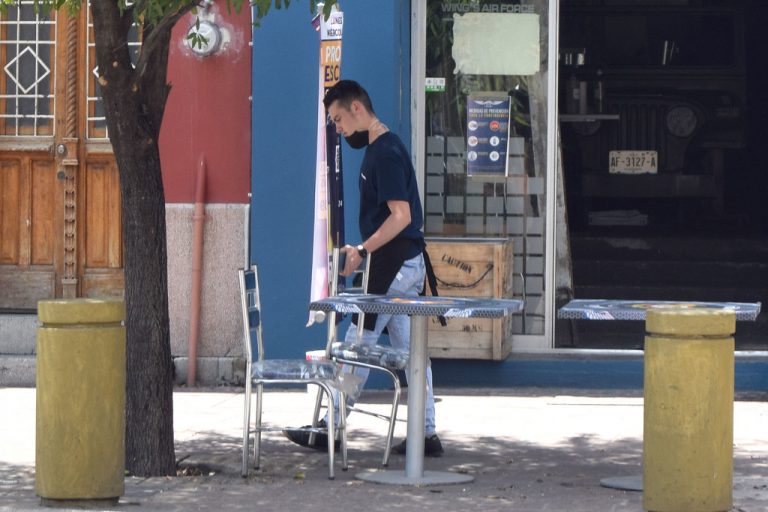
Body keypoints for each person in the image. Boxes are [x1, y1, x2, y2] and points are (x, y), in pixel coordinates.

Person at [284, 80, 442, 457]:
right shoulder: (385, 147)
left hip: (391, 266)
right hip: (402, 264)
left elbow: (401, 216)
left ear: (357, 108)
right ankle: (427, 432)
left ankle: (332, 426)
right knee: (411, 350)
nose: (338, 129)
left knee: (358, 342)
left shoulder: (384, 153)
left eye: (339, 119)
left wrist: (360, 250)